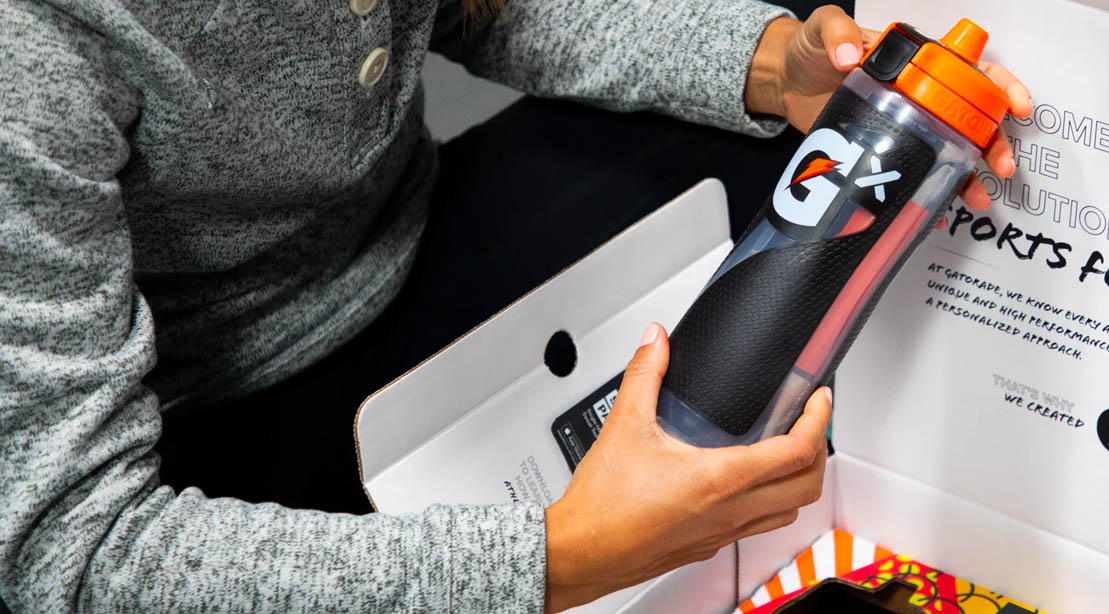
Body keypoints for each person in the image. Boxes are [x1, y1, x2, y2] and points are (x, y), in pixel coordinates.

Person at [0, 0, 1030, 612]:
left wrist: (768, 70)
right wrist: (558, 559)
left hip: (418, 228)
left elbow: (490, 9)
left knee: (848, 132)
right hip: (219, 411)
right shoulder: (26, 55)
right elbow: (65, 553)